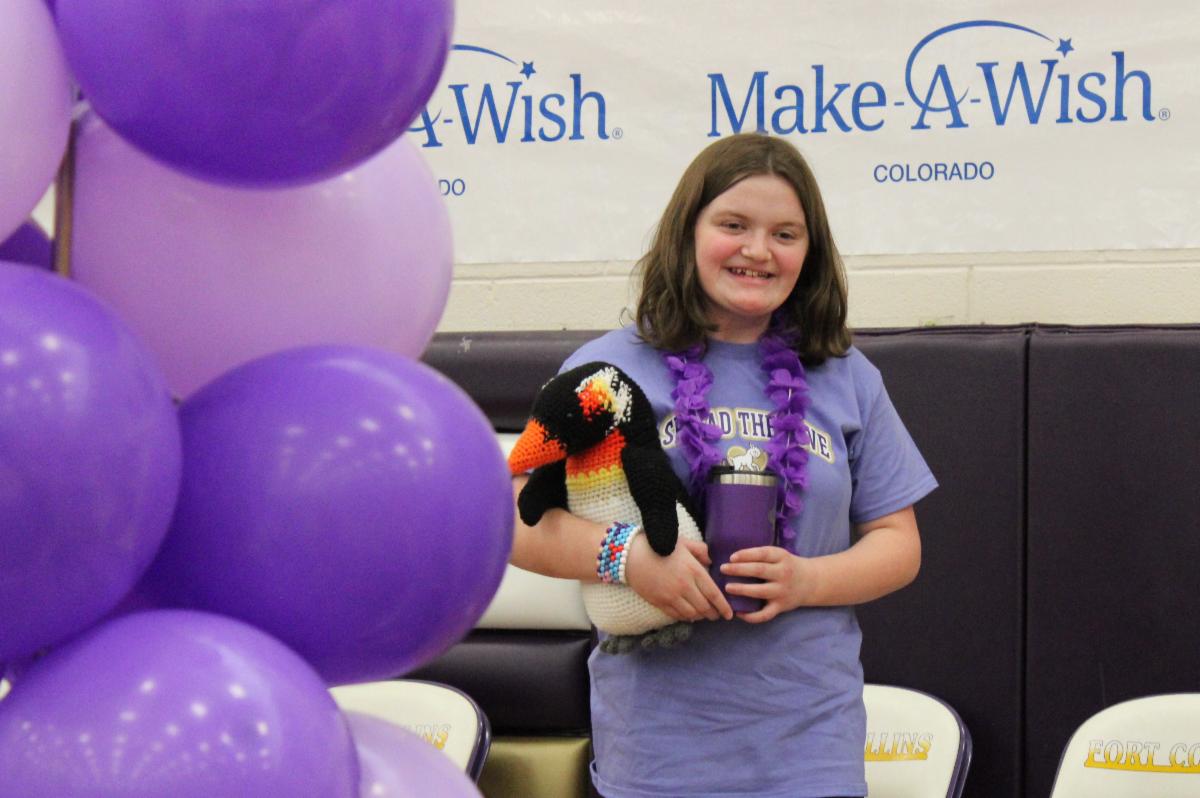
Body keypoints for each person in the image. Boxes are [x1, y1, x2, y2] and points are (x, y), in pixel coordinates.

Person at [510, 132, 937, 798]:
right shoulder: (609, 369)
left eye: (786, 233)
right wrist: (629, 556)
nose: (758, 250)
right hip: (657, 753)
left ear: (810, 252)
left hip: (810, 747)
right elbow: (513, 525)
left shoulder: (848, 377)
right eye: (733, 225)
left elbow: (899, 544)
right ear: (688, 233)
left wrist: (806, 582)